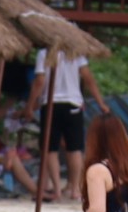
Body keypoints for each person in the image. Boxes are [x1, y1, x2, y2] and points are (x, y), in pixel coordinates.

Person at [27, 47, 105, 201]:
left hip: (50, 104)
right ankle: (75, 189)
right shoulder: (76, 53)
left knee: (50, 149)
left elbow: (40, 81)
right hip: (73, 103)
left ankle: (56, 189)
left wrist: (30, 105)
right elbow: (88, 78)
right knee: (74, 148)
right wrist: (100, 103)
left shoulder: (44, 53)